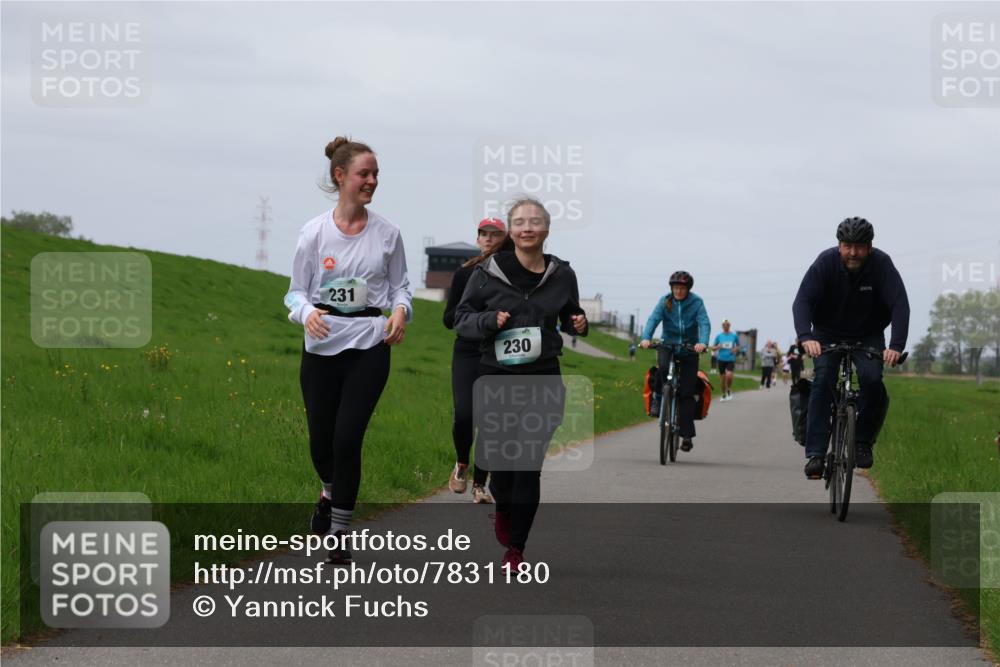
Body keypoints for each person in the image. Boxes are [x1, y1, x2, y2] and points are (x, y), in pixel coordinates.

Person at [284, 136, 412, 564]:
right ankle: (327, 492)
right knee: (321, 443)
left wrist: (399, 312)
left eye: (376, 174)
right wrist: (306, 315)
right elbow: (295, 293)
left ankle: (340, 531)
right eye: (364, 173)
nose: (372, 181)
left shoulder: (388, 233)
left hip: (369, 343)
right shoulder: (314, 233)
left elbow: (401, 287)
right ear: (340, 177)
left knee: (347, 438)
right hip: (321, 345)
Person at [455, 197, 588, 572]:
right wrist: (488, 322)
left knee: (527, 465)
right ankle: (503, 504)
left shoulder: (562, 274)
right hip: (496, 376)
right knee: (501, 466)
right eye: (519, 222)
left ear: (546, 230)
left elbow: (569, 313)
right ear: (510, 231)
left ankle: (516, 549)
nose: (527, 228)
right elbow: (461, 318)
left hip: (543, 378)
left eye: (535, 222)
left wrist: (577, 322)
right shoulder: (487, 272)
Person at [792, 217, 909, 479]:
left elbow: (899, 305)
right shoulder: (825, 263)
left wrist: (896, 345)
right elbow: (802, 301)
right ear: (839, 245)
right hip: (826, 333)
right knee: (823, 381)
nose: (853, 253)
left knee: (872, 380)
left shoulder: (882, 265)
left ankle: (862, 442)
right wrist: (805, 336)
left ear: (870, 247)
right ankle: (816, 454)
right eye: (847, 246)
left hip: (867, 334)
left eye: (859, 247)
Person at [442, 218, 511, 504]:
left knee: (491, 419)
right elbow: (449, 319)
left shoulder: (511, 275)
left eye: (495, 234)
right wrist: (479, 320)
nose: (488, 238)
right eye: (483, 234)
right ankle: (461, 463)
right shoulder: (464, 274)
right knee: (465, 414)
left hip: (498, 352)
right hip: (468, 351)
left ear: (505, 239)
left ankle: (480, 485)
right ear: (478, 238)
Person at [639, 271, 710, 452]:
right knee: (662, 369)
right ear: (671, 288)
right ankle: (658, 398)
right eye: (676, 288)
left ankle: (686, 436)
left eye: (682, 288)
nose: (678, 291)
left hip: (689, 349)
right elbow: (653, 319)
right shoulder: (665, 301)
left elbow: (704, 323)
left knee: (686, 392)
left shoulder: (696, 302)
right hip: (668, 345)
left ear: (688, 289)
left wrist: (702, 343)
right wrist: (646, 338)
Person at [711, 319, 739, 401]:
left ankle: (729, 389)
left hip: (730, 358)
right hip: (721, 359)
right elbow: (713, 348)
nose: (726, 326)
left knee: (729, 375)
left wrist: (735, 349)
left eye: (727, 325)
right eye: (724, 325)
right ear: (722, 326)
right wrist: (718, 347)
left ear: (729, 326)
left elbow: (738, 345)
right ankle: (723, 395)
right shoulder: (719, 336)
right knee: (722, 378)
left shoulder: (734, 336)